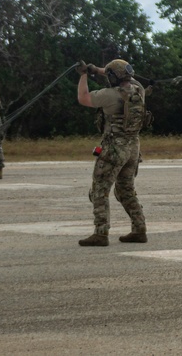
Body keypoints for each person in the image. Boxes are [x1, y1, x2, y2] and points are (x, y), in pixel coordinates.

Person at [76, 59, 148, 246]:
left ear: (113, 77)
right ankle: (139, 229)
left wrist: (84, 74)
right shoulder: (138, 90)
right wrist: (96, 69)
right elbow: (117, 73)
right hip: (133, 148)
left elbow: (83, 98)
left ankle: (101, 233)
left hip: (114, 149)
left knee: (99, 189)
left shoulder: (109, 95)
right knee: (126, 190)